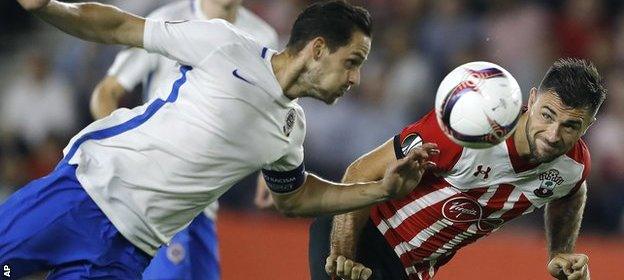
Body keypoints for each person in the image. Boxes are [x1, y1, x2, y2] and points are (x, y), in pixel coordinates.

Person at [1, 0, 436, 278]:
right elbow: (121, 27)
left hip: (126, 253)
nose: (356, 79)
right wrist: (49, 8)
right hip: (84, 193)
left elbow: (294, 199)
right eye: (352, 62)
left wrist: (379, 189)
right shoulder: (224, 46)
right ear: (318, 49)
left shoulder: (291, 129)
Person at [314, 58, 605, 280]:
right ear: (531, 100)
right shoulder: (469, 129)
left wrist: (560, 252)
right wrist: (343, 255)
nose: (553, 135)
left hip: (413, 270)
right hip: (363, 234)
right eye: (547, 115)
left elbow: (572, 192)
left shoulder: (573, 166)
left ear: (588, 126)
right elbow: (360, 172)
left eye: (570, 126)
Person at [89, 0, 278, 279]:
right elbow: (106, 92)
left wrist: (272, 167)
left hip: (207, 194)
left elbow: (271, 108)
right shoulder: (166, 21)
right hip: (159, 185)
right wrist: (127, 151)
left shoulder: (262, 36)